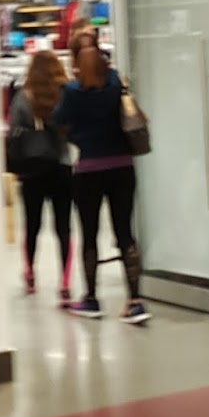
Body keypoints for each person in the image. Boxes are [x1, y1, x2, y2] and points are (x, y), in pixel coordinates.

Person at [54, 28, 148, 325]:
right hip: (122, 167)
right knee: (124, 232)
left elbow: (58, 121)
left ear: (74, 58)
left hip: (89, 170)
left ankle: (92, 299)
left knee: (90, 233)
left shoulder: (72, 91)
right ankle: (135, 301)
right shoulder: (116, 81)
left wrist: (79, 136)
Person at [7, 49, 73, 304]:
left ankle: (30, 272)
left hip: (32, 169)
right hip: (61, 166)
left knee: (32, 225)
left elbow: (14, 129)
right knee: (63, 226)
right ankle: (65, 281)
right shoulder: (65, 95)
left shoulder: (23, 97)